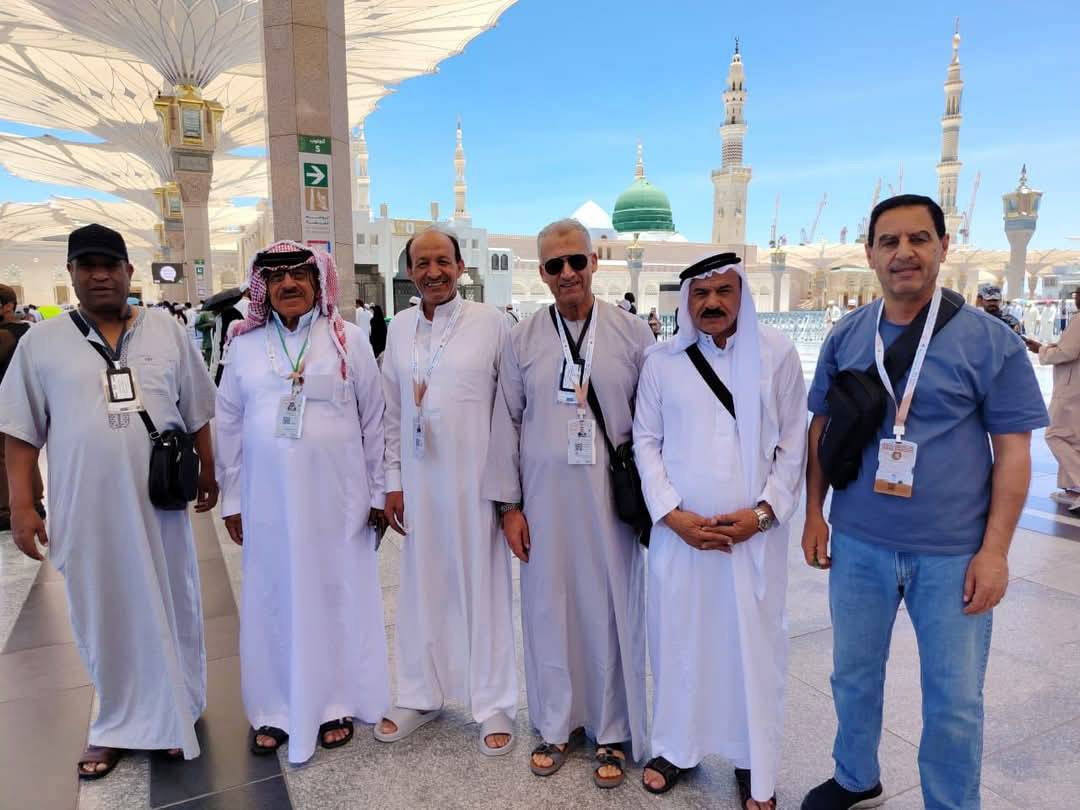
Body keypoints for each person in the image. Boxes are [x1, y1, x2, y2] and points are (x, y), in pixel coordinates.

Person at [800, 196, 1047, 810]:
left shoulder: (990, 342)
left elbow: (1014, 453)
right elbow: (821, 428)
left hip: (953, 553)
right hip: (859, 542)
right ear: (870, 254)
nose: (903, 253)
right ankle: (855, 777)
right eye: (889, 241)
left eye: (918, 239)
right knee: (853, 676)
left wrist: (995, 553)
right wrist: (814, 514)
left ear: (943, 246)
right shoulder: (847, 335)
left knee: (954, 699)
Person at [0, 223, 219, 779]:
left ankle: (177, 710)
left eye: (110, 265)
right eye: (87, 266)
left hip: (159, 505)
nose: (100, 275)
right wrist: (22, 505)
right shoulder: (42, 343)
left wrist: (210, 471)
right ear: (71, 274)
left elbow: (196, 411)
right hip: (87, 508)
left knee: (174, 602)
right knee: (103, 612)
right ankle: (116, 722)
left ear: (128, 271)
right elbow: (21, 433)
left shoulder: (166, 331)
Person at [483, 218, 653, 788]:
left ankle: (611, 728)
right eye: (555, 265)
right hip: (544, 505)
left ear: (593, 262)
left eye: (576, 261)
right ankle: (556, 724)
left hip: (610, 505)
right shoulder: (523, 337)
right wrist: (508, 507)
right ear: (542, 273)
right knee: (547, 609)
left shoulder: (632, 333)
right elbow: (507, 421)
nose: (567, 273)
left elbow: (653, 422)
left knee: (609, 609)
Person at [634, 253, 806, 807]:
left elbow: (793, 445)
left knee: (751, 649)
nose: (712, 303)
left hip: (752, 541)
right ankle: (676, 748)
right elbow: (645, 442)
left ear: (742, 295)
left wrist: (762, 515)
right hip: (681, 538)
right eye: (701, 294)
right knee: (679, 642)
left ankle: (752, 760)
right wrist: (672, 514)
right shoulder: (661, 361)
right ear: (686, 301)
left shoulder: (776, 354)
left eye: (724, 291)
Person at [215, 241, 390, 764]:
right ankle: (274, 708)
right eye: (277, 277)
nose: (289, 283)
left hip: (338, 500)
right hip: (268, 504)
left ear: (318, 282)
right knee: (273, 598)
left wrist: (378, 492)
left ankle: (335, 702)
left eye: (299, 274)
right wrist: (232, 499)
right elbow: (228, 424)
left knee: (334, 595)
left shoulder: (347, 340)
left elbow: (375, 418)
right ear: (263, 288)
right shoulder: (244, 345)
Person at [376, 227, 518, 754]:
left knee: (484, 588)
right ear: (409, 271)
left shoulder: (492, 323)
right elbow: (392, 412)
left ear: (461, 267)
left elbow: (510, 410)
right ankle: (420, 694)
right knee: (421, 588)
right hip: (419, 483)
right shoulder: (399, 329)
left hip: (477, 483)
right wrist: (393, 483)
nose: (433, 272)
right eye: (422, 263)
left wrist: (509, 493)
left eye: (442, 261)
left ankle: (494, 703)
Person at [1025, 287, 1080, 511]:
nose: (1076, 298)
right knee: (1073, 437)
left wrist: (1042, 350)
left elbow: (1067, 352)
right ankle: (1072, 488)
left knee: (1055, 434)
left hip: (1072, 386)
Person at [0, 283, 44, 530]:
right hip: (24, 398)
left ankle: (5, 508)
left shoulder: (6, 335)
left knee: (4, 455)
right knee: (27, 450)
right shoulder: (28, 330)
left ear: (8, 306)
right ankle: (36, 500)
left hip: (6, 400)